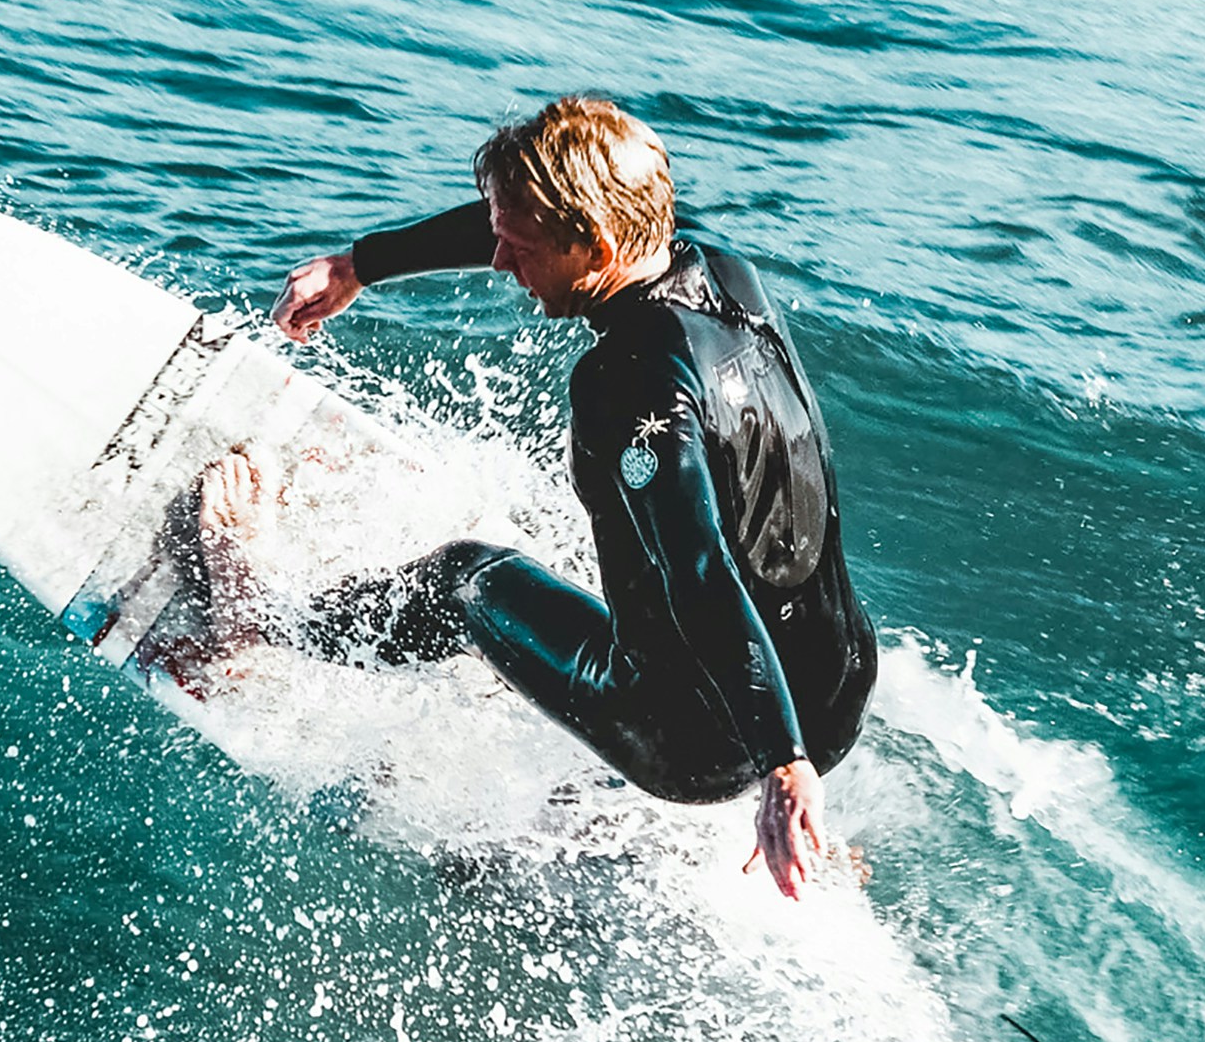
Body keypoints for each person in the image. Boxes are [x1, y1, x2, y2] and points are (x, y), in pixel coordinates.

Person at [187, 95, 875, 897]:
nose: (504, 264)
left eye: (521, 247)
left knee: (469, 576)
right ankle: (761, 811)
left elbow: (700, 568)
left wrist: (780, 764)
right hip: (835, 690)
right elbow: (523, 226)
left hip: (694, 740)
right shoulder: (724, 275)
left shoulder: (629, 381)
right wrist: (359, 266)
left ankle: (262, 624)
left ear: (598, 242)